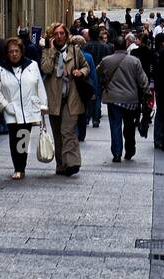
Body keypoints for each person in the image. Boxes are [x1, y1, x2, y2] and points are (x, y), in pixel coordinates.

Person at [0, 37, 48, 179]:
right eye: (11, 51)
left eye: (17, 51)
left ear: (22, 52)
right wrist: (5, 106)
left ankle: (21, 167)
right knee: (13, 138)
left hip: (29, 109)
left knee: (23, 138)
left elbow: (39, 85)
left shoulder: (32, 65)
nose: (14, 54)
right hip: (12, 110)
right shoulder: (0, 69)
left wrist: (43, 104)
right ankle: (17, 167)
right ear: (7, 53)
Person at [40, 23, 90, 177]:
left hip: (71, 98)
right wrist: (52, 51)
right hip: (55, 99)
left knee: (67, 131)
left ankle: (73, 163)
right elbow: (46, 69)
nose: (60, 36)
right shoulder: (47, 52)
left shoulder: (75, 51)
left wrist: (79, 72)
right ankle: (60, 164)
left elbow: (86, 67)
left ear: (67, 35)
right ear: (52, 36)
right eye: (56, 34)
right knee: (57, 134)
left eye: (62, 33)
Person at [98, 35, 149, 162]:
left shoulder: (106, 61)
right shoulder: (134, 61)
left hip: (113, 98)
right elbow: (143, 80)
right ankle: (130, 149)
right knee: (129, 125)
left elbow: (98, 73)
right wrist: (146, 92)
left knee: (115, 125)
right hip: (130, 99)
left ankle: (116, 153)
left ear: (114, 46)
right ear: (125, 45)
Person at [85, 25, 112, 129]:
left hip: (88, 75)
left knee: (88, 97)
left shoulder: (86, 46)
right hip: (100, 75)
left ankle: (87, 117)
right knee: (98, 97)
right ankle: (96, 119)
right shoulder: (104, 47)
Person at [75, 38, 99, 144]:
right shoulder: (88, 56)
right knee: (83, 110)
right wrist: (94, 90)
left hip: (74, 86)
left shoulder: (70, 55)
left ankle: (76, 131)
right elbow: (93, 74)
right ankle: (82, 133)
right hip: (84, 87)